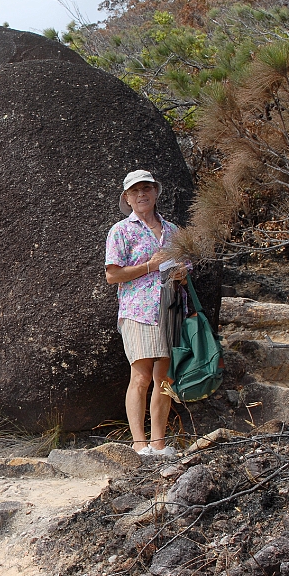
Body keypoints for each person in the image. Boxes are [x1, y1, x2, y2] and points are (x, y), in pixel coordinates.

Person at [105, 170, 187, 456]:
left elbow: (187, 268)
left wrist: (180, 274)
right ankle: (139, 444)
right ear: (127, 198)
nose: (142, 194)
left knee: (164, 379)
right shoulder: (121, 231)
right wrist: (150, 266)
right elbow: (113, 275)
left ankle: (159, 443)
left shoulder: (173, 231)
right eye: (135, 190)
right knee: (140, 376)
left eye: (147, 188)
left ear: (155, 192)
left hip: (171, 309)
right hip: (138, 310)